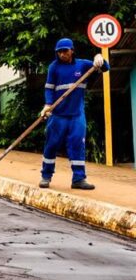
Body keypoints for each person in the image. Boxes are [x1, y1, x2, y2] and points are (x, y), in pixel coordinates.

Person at [39, 38, 108, 190]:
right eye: (59, 51)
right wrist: (48, 105)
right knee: (51, 145)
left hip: (77, 115)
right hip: (58, 115)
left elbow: (105, 68)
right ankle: (46, 176)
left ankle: (78, 179)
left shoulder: (82, 65)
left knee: (77, 145)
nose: (62, 54)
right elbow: (49, 88)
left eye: (65, 51)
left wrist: (99, 59)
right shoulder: (54, 67)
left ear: (72, 50)